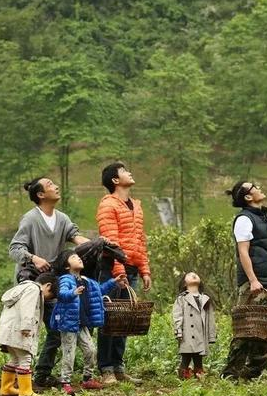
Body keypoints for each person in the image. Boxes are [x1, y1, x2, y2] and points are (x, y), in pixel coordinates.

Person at [9, 177, 91, 390]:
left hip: (52, 285)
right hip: (31, 284)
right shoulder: (30, 219)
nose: (56, 186)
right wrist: (34, 258)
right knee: (28, 330)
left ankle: (41, 375)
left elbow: (75, 236)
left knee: (56, 330)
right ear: (40, 194)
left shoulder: (62, 218)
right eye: (50, 184)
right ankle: (19, 376)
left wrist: (98, 243)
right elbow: (15, 248)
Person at [96, 162, 151, 385]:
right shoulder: (108, 205)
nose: (130, 172)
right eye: (124, 171)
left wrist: (144, 269)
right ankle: (106, 368)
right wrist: (119, 271)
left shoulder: (136, 206)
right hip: (113, 269)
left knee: (125, 319)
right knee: (110, 318)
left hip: (132, 268)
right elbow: (111, 241)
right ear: (115, 181)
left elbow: (140, 240)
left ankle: (118, 367)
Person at [221, 181, 267, 380]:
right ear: (248, 197)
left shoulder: (262, 216)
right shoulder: (244, 219)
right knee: (246, 328)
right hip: (254, 281)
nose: (259, 187)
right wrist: (253, 280)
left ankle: (251, 374)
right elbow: (243, 252)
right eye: (254, 186)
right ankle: (231, 374)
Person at [50, 250, 127, 395]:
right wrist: (73, 293)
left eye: (79, 257)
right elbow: (61, 294)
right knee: (69, 352)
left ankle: (87, 379)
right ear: (67, 266)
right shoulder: (65, 279)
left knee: (91, 350)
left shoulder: (85, 280)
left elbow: (99, 290)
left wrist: (114, 282)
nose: (78, 258)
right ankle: (65, 381)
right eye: (74, 257)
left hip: (82, 323)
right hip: (68, 323)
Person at [0, 272, 58, 396]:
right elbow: (27, 308)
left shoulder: (22, 288)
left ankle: (6, 388)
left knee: (14, 359)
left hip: (8, 331)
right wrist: (26, 327)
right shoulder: (33, 289)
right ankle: (26, 392)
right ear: (48, 286)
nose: (47, 299)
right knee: (25, 359)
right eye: (50, 295)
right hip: (19, 331)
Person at [172, 272, 216, 380]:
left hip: (200, 334)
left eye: (196, 274)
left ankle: (198, 375)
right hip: (187, 333)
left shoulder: (205, 299)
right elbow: (177, 315)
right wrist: (178, 330)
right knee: (186, 357)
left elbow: (210, 319)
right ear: (184, 283)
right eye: (190, 275)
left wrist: (211, 335)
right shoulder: (181, 298)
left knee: (198, 357)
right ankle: (183, 377)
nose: (194, 275)